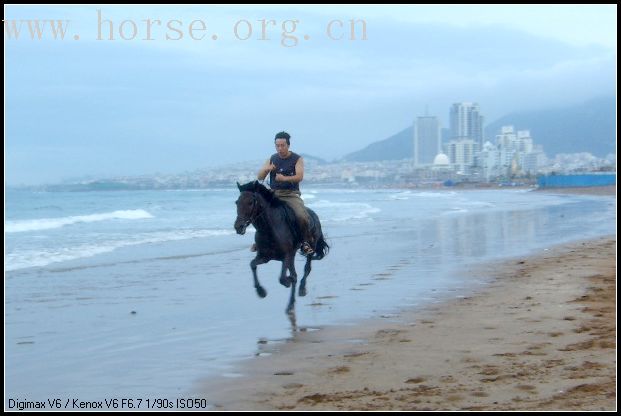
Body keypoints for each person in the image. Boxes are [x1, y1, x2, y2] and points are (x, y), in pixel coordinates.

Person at [255, 131, 315, 255]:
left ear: (288, 145)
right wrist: (266, 169)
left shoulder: (297, 159)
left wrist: (284, 179)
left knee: (302, 216)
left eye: (282, 145)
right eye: (277, 145)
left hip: (291, 194)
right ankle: (260, 240)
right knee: (258, 212)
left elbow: (300, 176)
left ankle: (304, 242)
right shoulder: (272, 158)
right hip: (274, 193)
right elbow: (260, 177)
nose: (280, 148)